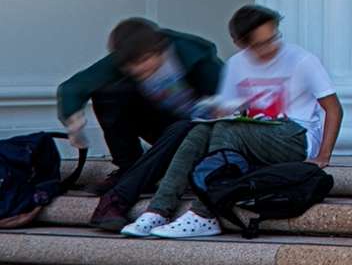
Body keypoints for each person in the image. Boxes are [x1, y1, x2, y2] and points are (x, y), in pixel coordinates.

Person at [122, 4, 341, 239]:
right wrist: (213, 111)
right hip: (254, 133)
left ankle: (205, 213)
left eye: (273, 37)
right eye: (260, 44)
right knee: (199, 132)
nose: (270, 47)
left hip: (295, 135)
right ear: (241, 43)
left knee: (227, 129)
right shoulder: (237, 64)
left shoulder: (302, 60)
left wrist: (323, 155)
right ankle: (158, 209)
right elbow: (227, 109)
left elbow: (333, 109)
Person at [55, 18, 225, 231]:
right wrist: (74, 121)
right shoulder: (128, 59)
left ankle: (117, 199)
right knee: (109, 94)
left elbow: (230, 95)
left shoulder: (194, 55)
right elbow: (73, 87)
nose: (139, 70)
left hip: (203, 136)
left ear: (160, 49)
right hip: (164, 129)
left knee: (184, 127)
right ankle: (129, 166)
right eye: (132, 66)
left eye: (145, 61)